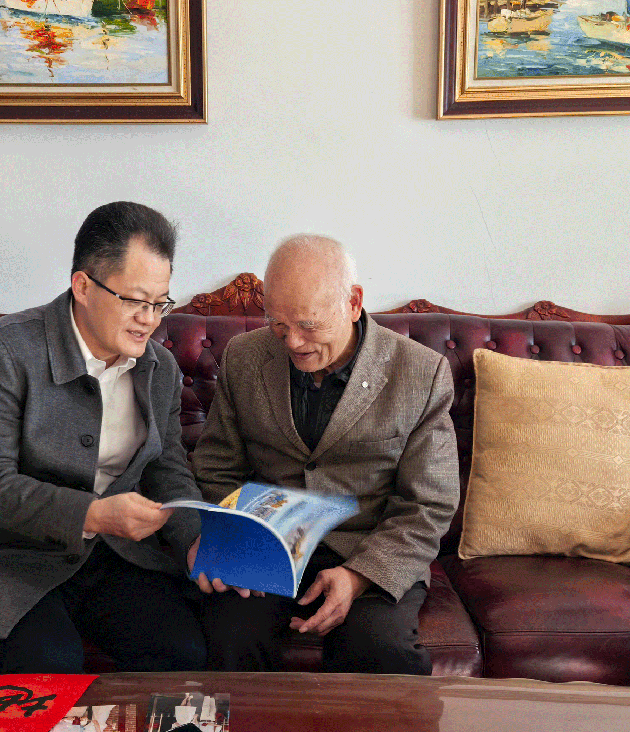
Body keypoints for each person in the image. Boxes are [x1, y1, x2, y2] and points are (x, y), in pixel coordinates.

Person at [0, 201, 207, 674]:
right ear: (83, 286)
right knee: (50, 671)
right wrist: (93, 514)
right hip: (10, 554)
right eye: (135, 300)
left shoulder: (159, 367)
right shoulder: (2, 350)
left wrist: (193, 539)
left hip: (111, 555)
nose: (150, 319)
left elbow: (167, 468)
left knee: (184, 655)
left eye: (160, 303)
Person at [190, 234, 459, 674]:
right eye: (278, 324)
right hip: (267, 545)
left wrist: (358, 576)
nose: (293, 342)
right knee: (229, 637)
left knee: (380, 650)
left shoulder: (420, 373)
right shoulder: (244, 357)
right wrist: (236, 538)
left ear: (353, 303)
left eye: (309, 325)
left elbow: (428, 504)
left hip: (368, 548)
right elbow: (216, 466)